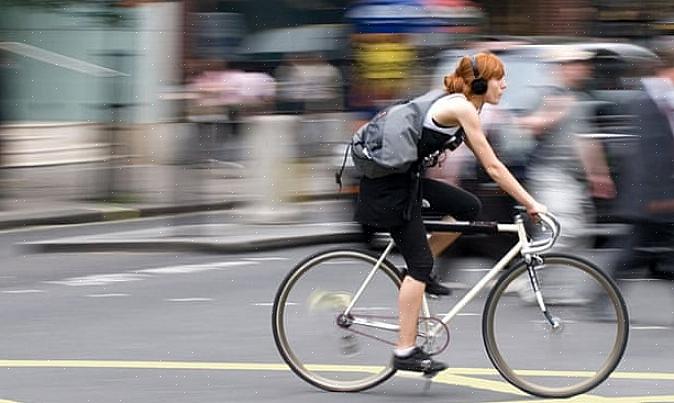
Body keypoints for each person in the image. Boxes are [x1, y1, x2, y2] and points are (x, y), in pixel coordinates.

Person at [354, 52, 547, 373]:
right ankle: (404, 351)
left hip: (406, 181)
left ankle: (418, 275)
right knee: (420, 263)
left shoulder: (464, 107)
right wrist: (531, 202)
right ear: (482, 83)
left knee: (467, 207)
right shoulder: (460, 107)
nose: (505, 85)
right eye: (500, 79)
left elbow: (489, 163)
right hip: (390, 187)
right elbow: (493, 166)